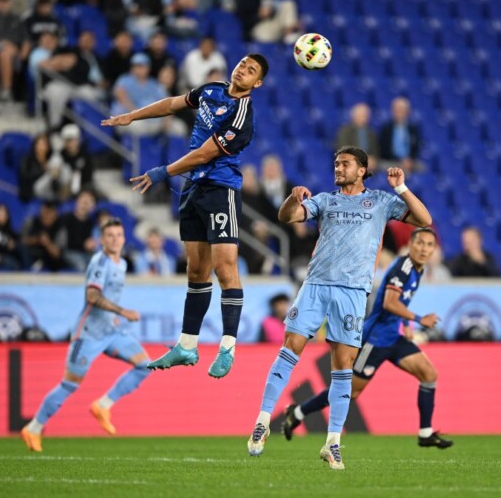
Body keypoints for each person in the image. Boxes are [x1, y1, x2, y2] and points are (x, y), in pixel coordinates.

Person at [246, 146, 432, 470]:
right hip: (316, 285)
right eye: (335, 163)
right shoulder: (325, 200)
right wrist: (293, 198)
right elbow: (286, 216)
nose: (338, 168)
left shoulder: (381, 201)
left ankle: (332, 443)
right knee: (291, 346)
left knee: (342, 363)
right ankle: (262, 421)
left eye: (344, 164)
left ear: (362, 169)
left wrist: (400, 187)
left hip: (352, 292)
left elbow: (424, 219)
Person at [101, 53, 270, 378]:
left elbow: (206, 153)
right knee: (195, 271)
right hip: (192, 189)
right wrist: (132, 116)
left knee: (224, 268)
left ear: (257, 83)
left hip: (219, 190)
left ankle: (227, 347)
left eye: (251, 71)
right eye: (242, 64)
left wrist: (163, 172)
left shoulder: (243, 117)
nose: (242, 70)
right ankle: (187, 346)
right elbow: (172, 104)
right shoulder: (211, 90)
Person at [281, 228, 453, 450]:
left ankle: (425, 433)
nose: (424, 249)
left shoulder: (418, 270)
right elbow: (390, 303)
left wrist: (406, 324)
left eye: (429, 245)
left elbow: (400, 302)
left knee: (429, 374)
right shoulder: (403, 268)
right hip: (375, 340)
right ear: (410, 244)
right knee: (351, 391)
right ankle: (297, 412)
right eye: (420, 243)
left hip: (393, 337)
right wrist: (420, 319)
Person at [20, 218, 149, 452]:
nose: (115, 239)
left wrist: (115, 317)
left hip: (110, 331)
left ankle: (103, 405)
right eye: (109, 235)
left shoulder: (121, 264)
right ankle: (34, 428)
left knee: (145, 365)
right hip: (88, 334)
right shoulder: (100, 263)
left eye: (119, 235)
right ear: (101, 240)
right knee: (69, 385)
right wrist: (123, 311)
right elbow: (92, 296)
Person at [111, 53, 186, 137]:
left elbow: (166, 101)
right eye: (135, 66)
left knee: (179, 127)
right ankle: (135, 150)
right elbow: (120, 95)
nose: (138, 69)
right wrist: (136, 115)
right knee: (138, 127)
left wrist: (167, 118)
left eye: (141, 66)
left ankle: (171, 150)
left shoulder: (153, 84)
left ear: (148, 68)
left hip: (153, 120)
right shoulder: (124, 80)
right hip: (129, 118)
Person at [18, 133, 72, 203]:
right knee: (52, 170)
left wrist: (53, 172)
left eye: (45, 144)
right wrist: (44, 170)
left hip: (52, 189)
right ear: (35, 146)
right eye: (40, 144)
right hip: (36, 191)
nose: (42, 147)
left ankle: (64, 192)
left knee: (61, 164)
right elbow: (26, 176)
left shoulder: (50, 160)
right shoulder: (27, 160)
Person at [379, 97, 421, 172]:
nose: (399, 112)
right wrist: (399, 161)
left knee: (422, 168)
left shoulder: (413, 129)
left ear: (407, 112)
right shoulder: (386, 129)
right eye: (396, 109)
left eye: (401, 109)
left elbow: (416, 147)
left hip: (409, 161)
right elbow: (383, 149)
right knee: (383, 166)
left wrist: (410, 159)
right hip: (391, 161)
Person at [21, 200, 64, 272]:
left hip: (51, 262)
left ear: (55, 214)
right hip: (31, 256)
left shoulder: (60, 227)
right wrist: (36, 240)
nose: (46, 216)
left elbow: (57, 254)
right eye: (44, 212)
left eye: (49, 213)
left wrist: (47, 243)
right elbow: (21, 241)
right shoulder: (31, 222)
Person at [61, 189, 97, 272]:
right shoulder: (67, 219)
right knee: (81, 265)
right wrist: (84, 244)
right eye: (83, 202)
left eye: (87, 203)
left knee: (98, 262)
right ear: (77, 202)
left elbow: (90, 242)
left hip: (85, 252)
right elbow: (65, 243)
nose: (84, 205)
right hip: (69, 251)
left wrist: (91, 244)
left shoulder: (90, 222)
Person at [59, 124, 95, 197]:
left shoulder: (85, 155)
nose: (70, 144)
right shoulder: (60, 155)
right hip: (63, 188)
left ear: (78, 140)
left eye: (72, 140)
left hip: (83, 187)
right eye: (67, 141)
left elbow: (88, 176)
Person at [0, 202, 22, 270]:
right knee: (13, 263)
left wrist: (13, 244)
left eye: (4, 214)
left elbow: (16, 240)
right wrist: (7, 245)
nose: (2, 216)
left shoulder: (9, 230)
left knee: (21, 249)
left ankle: (30, 269)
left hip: (8, 255)